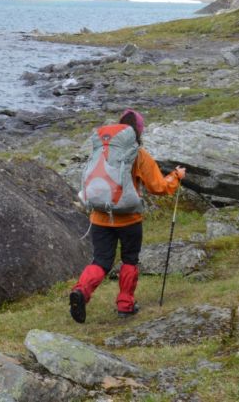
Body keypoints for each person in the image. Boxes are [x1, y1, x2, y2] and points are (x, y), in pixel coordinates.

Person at [69, 108, 185, 323]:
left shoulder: (102, 150)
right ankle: (125, 304)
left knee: (101, 261)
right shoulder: (138, 154)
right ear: (138, 131)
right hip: (129, 219)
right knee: (129, 259)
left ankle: (81, 292)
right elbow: (158, 187)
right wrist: (176, 176)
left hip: (101, 216)